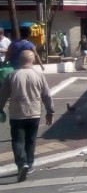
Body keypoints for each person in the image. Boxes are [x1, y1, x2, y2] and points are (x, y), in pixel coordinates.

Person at [0, 50, 55, 182]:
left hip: (17, 114)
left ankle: (21, 163)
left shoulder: (12, 75)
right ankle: (29, 165)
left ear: (19, 60)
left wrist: (0, 108)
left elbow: (2, 95)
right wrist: (50, 112)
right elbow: (47, 95)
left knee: (18, 141)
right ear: (33, 60)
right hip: (34, 113)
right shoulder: (39, 75)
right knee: (31, 140)